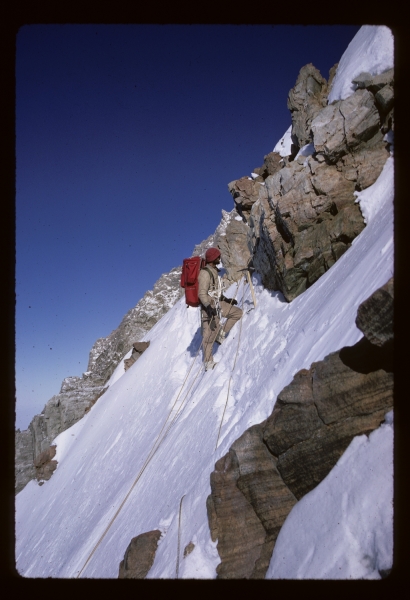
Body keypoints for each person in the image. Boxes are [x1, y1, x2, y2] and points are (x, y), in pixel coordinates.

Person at [198, 247, 243, 371]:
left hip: (218, 304)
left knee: (237, 313)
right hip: (209, 307)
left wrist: (226, 300)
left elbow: (214, 291)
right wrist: (207, 307)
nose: (220, 258)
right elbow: (202, 293)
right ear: (213, 258)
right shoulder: (205, 273)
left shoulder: (213, 271)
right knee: (208, 338)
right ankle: (208, 363)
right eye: (218, 256)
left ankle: (221, 334)